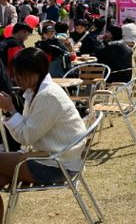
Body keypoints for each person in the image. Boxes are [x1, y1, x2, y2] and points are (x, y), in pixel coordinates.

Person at [0, 47, 87, 213]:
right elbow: (26, 132)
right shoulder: (37, 92)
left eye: (21, 74)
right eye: (15, 74)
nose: (16, 79)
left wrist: (10, 109)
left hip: (57, 165)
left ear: (37, 72)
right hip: (56, 159)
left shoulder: (48, 96)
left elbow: (26, 137)